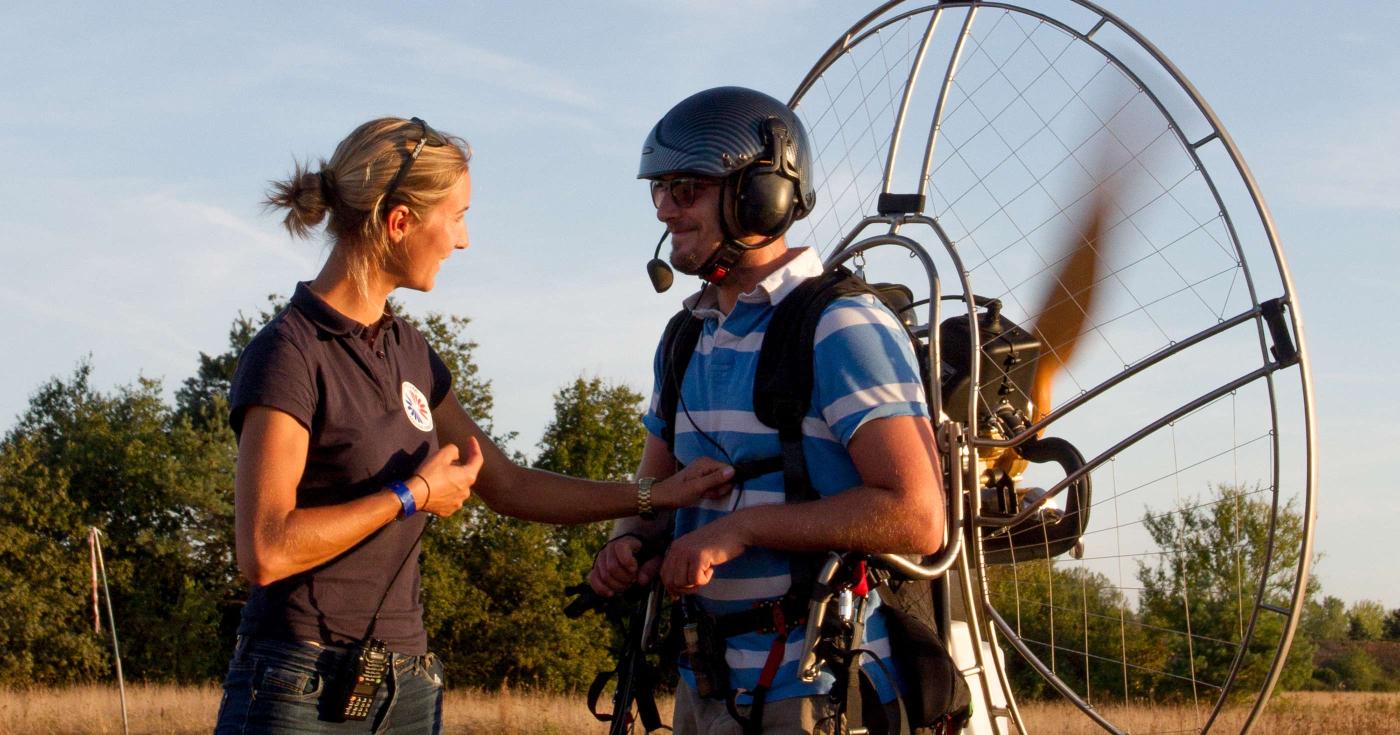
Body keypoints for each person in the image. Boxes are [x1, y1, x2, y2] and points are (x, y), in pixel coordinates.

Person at [213, 116, 734, 735]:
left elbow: (506, 483)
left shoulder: (409, 350)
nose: (462, 240)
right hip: (298, 685)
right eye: (456, 216)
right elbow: (266, 551)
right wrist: (411, 497)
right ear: (399, 221)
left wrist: (654, 495)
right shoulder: (289, 352)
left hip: (406, 684)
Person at [587, 87, 948, 735]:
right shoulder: (686, 337)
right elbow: (655, 494)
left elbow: (918, 515)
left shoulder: (841, 326)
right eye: (659, 189)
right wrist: (629, 542)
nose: (665, 208)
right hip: (705, 684)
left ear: (761, 194)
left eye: (686, 188)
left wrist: (742, 529)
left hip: (817, 688)